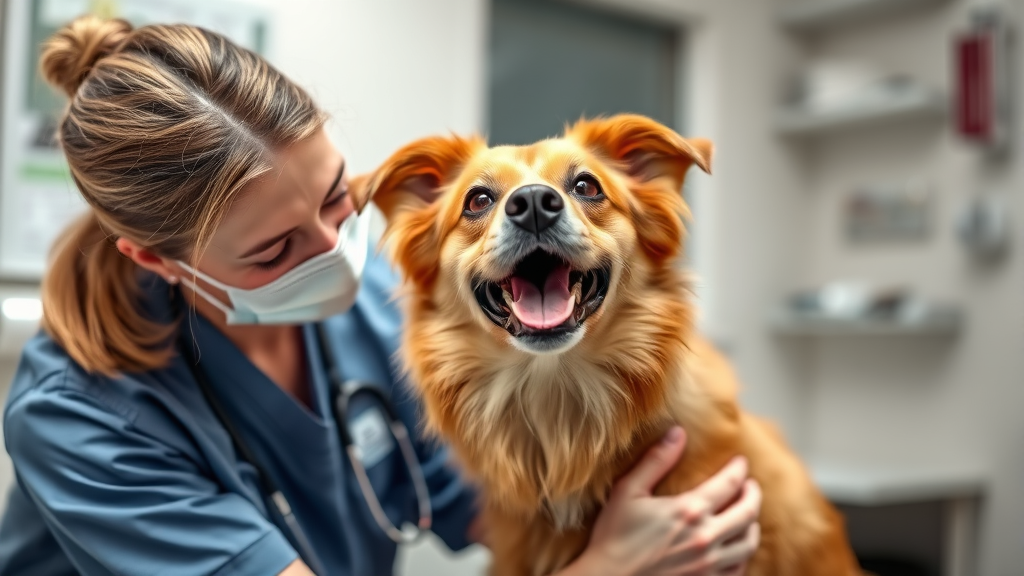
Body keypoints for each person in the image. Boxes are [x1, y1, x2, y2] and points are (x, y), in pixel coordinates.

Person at [0, 15, 762, 576]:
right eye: (274, 251)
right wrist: (611, 568)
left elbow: (509, 508)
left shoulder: (375, 310)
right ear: (157, 260)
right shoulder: (78, 417)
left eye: (337, 197)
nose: (334, 253)